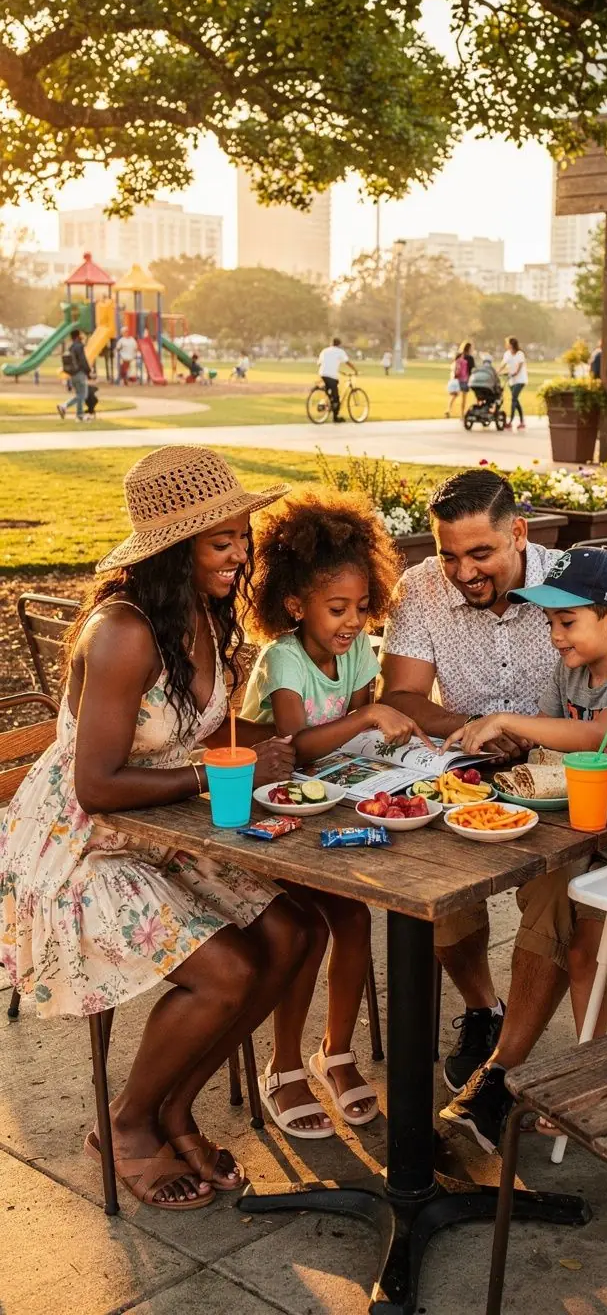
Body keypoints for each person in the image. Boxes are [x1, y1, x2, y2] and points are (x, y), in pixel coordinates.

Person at [0, 446, 311, 1211]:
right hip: (78, 842)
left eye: (242, 536)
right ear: (174, 550)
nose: (240, 555)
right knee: (227, 970)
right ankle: (128, 1124)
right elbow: (96, 781)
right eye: (221, 541)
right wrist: (217, 774)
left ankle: (177, 1105)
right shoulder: (123, 632)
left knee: (296, 933)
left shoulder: (201, 615)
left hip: (160, 824)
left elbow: (183, 739)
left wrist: (261, 752)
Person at [437, 546, 607, 1151]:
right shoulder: (566, 671)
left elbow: (596, 734)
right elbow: (551, 749)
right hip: (579, 835)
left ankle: (548, 1079)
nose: (555, 635)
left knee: (581, 933)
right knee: (541, 890)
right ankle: (503, 1075)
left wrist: (504, 719)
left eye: (567, 622)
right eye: (550, 623)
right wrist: (510, 747)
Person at [380, 471, 573, 1119]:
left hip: (563, 772)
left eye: (480, 553)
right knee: (432, 881)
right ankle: (483, 1008)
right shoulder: (421, 588)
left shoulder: (573, 581)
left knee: (558, 893)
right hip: (463, 761)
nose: (463, 571)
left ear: (519, 532)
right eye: (449, 554)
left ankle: (503, 1071)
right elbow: (403, 697)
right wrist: (468, 732)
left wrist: (524, 733)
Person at [241, 490, 428, 1138]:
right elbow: (294, 748)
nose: (352, 622)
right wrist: (370, 715)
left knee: (355, 917)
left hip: (326, 811)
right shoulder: (284, 658)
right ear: (296, 606)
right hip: (265, 821)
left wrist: (392, 745)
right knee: (313, 924)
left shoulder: (357, 651)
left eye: (359, 607)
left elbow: (351, 740)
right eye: (336, 609)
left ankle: (336, 1052)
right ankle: (284, 1065)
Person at [317, 337, 357, 422]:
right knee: (336, 398)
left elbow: (319, 363)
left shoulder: (324, 350)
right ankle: (335, 417)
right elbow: (347, 362)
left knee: (329, 392)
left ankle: (325, 403)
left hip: (322, 374)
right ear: (339, 344)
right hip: (331, 376)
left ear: (331, 343)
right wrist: (355, 370)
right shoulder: (340, 351)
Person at [57, 327, 92, 421]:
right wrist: (88, 372)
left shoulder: (71, 347)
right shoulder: (79, 346)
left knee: (79, 395)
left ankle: (79, 415)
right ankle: (64, 406)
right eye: (80, 335)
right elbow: (83, 360)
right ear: (77, 336)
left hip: (72, 375)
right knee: (83, 395)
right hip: (79, 373)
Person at [499, 337, 528, 430]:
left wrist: (513, 373)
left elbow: (518, 369)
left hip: (520, 380)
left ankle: (510, 421)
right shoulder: (507, 354)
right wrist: (496, 372)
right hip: (511, 381)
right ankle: (522, 422)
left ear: (511, 344)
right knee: (516, 401)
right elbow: (503, 365)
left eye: (507, 343)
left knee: (513, 399)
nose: (506, 345)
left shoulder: (520, 354)